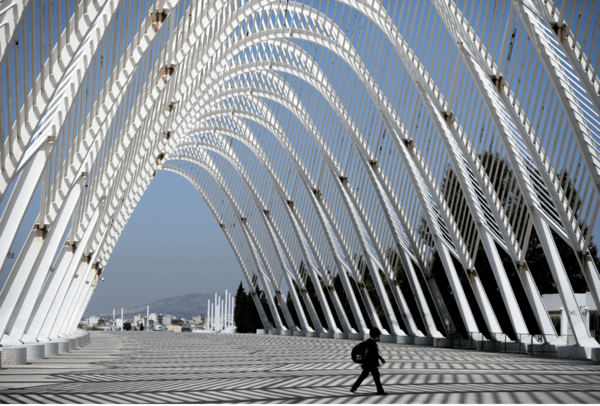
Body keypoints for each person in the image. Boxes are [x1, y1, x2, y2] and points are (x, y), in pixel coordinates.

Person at [350, 327, 387, 395]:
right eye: (378, 335)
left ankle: (354, 388)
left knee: (365, 376)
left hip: (370, 363)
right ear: (375, 335)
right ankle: (380, 391)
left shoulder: (372, 342)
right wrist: (364, 364)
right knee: (376, 376)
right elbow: (366, 353)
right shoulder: (370, 343)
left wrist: (381, 359)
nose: (378, 336)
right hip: (370, 363)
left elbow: (375, 353)